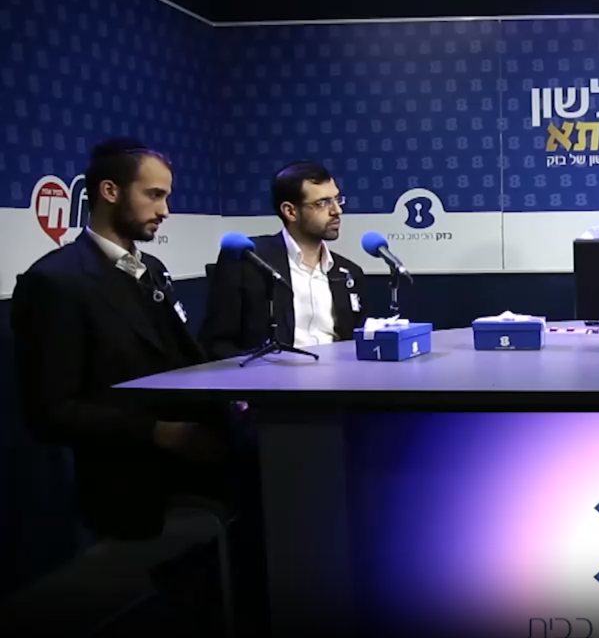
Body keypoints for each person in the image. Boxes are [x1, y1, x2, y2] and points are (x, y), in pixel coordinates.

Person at [10, 138, 264, 629]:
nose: (165, 210)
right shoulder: (55, 282)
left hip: (200, 442)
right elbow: (49, 413)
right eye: (154, 195)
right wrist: (161, 433)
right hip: (134, 471)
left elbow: (181, 362)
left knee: (295, 467)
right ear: (110, 191)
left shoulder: (153, 270)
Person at [200, 161, 368, 359]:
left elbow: (359, 342)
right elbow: (217, 344)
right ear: (290, 211)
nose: (337, 210)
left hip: (339, 374)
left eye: (337, 199)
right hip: (270, 375)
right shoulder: (248, 261)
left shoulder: (349, 272)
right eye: (322, 203)